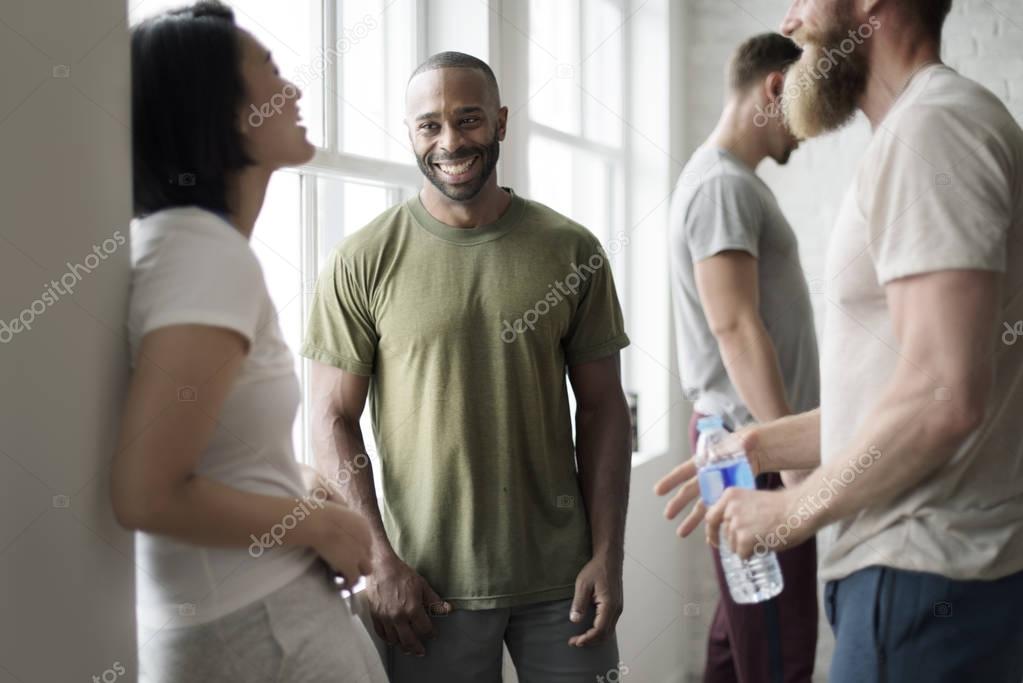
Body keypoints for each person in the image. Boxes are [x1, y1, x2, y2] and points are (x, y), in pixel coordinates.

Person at [659, 1, 1023, 681]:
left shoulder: (932, 129)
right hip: (923, 579)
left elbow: (941, 396)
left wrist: (795, 503)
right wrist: (763, 443)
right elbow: (902, 392)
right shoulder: (926, 127)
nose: (789, 21)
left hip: (919, 575)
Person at [301, 51, 632, 682]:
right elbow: (330, 417)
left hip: (564, 583)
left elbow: (603, 408)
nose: (451, 141)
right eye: (430, 125)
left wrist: (609, 556)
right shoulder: (362, 259)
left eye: (469, 119)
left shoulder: (573, 250)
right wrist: (380, 562)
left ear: (501, 122)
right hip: (425, 589)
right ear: (410, 133)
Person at [112, 3, 387, 681]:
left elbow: (205, 448)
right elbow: (147, 493)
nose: (293, 90)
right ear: (220, 110)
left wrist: (298, 482)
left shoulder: (185, 247)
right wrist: (324, 525)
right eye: (269, 71)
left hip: (259, 619)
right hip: (258, 627)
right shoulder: (202, 253)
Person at [657, 33, 820, 683]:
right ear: (775, 87)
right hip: (751, 444)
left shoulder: (724, 181)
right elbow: (733, 326)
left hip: (744, 439)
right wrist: (790, 455)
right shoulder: (720, 185)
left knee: (740, 636)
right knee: (777, 648)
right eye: (807, 106)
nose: (810, 130)